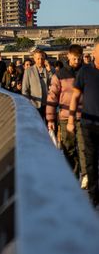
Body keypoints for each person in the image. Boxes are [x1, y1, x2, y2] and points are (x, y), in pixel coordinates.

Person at [68, 41, 99, 207]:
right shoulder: (85, 72)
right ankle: (94, 196)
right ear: (94, 54)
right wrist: (71, 119)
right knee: (90, 160)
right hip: (88, 124)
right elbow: (75, 97)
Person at [46, 44, 83, 175]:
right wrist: (50, 119)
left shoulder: (86, 72)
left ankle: (84, 177)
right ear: (68, 56)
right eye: (74, 59)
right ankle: (72, 176)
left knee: (84, 149)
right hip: (65, 117)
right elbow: (52, 96)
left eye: (79, 59)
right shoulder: (59, 75)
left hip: (84, 116)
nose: (77, 62)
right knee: (69, 149)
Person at [21, 49, 52, 117]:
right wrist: (28, 102)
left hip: (46, 103)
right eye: (38, 59)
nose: (40, 61)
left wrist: (50, 71)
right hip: (34, 104)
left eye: (42, 58)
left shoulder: (48, 70)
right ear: (34, 59)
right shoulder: (28, 71)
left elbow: (53, 83)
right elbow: (25, 89)